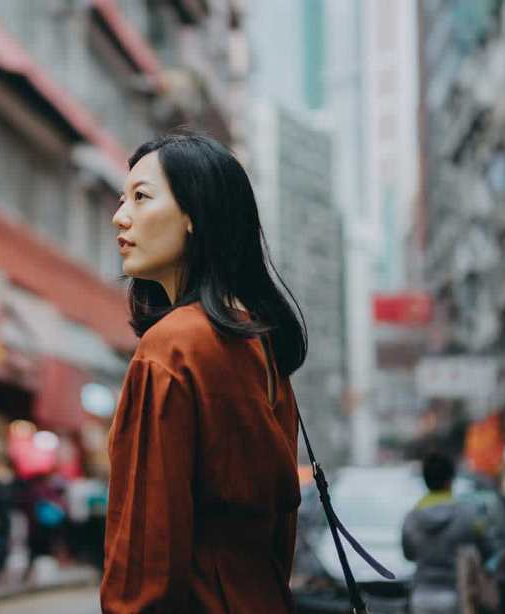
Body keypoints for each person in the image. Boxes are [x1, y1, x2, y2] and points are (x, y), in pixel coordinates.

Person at [101, 134, 306, 613]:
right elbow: (282, 530)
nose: (120, 216)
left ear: (195, 215)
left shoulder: (172, 347)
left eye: (141, 197)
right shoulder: (262, 344)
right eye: (121, 199)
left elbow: (144, 554)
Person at [402, 452, 490, 614]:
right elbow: (485, 549)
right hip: (457, 594)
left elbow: (408, 554)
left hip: (421, 596)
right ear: (450, 480)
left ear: (426, 480)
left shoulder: (412, 518)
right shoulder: (467, 515)